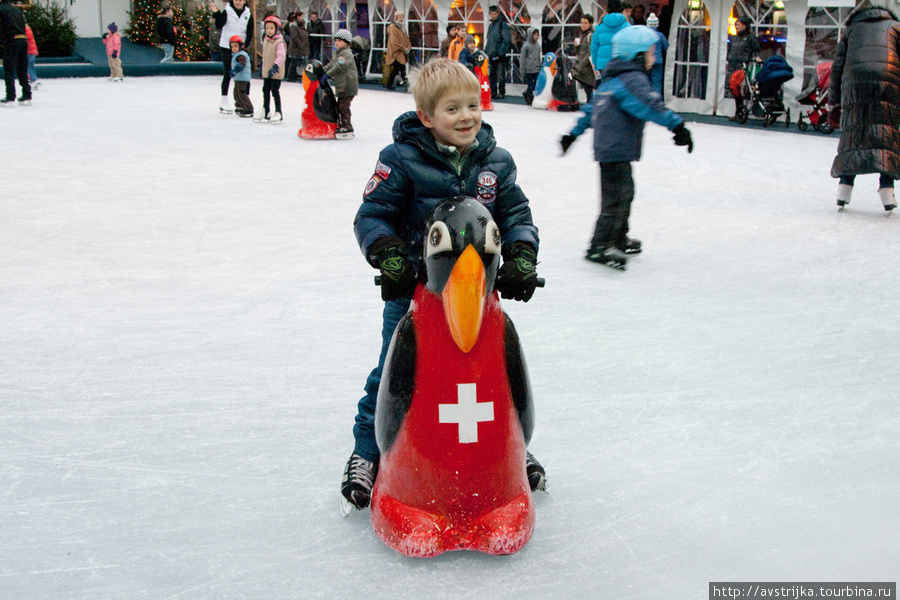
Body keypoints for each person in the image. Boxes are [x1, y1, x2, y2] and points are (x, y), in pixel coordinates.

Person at [342, 58, 546, 512]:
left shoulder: (496, 160)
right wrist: (391, 256)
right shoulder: (400, 160)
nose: (467, 116)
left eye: (473, 105)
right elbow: (372, 217)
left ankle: (510, 447)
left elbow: (516, 217)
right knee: (393, 373)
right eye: (452, 109)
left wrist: (522, 255)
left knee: (492, 374)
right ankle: (368, 452)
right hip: (416, 294)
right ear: (426, 117)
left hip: (479, 296)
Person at [560, 26, 692, 270]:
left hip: (611, 149)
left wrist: (573, 134)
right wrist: (677, 126)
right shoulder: (632, 80)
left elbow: (591, 111)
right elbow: (650, 105)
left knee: (624, 194)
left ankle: (618, 238)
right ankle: (598, 246)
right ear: (637, 54)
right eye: (652, 52)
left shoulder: (611, 80)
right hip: (616, 150)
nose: (654, 58)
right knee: (616, 199)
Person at [828, 1, 900, 211]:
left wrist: (834, 103)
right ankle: (887, 189)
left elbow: (837, 68)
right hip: (888, 83)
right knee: (886, 132)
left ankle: (845, 187)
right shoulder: (895, 27)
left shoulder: (851, 30)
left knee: (854, 132)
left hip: (855, 84)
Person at [214, 0, 253, 113]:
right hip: (227, 47)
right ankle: (224, 100)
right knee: (228, 73)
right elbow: (218, 25)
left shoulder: (248, 14)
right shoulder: (227, 11)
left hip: (241, 49)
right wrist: (217, 14)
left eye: (240, 0)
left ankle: (243, 100)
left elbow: (250, 31)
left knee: (244, 74)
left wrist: (246, 46)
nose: (238, 2)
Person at [325, 29, 359, 136]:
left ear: (346, 42)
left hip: (348, 85)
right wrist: (321, 70)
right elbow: (332, 64)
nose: (336, 42)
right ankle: (343, 124)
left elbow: (339, 66)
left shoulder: (346, 54)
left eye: (339, 40)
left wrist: (327, 75)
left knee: (343, 106)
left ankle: (347, 126)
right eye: (336, 40)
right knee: (340, 105)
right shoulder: (339, 53)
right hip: (342, 85)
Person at [725, 16, 760, 118]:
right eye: (736, 25)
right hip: (733, 67)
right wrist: (729, 57)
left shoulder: (750, 37)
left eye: (739, 25)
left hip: (743, 68)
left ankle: (741, 112)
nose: (737, 26)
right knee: (734, 90)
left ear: (745, 25)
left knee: (742, 90)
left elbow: (756, 49)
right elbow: (730, 48)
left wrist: (757, 58)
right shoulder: (734, 38)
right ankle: (738, 112)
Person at [591, 0, 630, 86]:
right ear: (621, 10)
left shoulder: (599, 26)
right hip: (621, 64)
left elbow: (594, 48)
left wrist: (596, 63)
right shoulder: (627, 26)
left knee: (606, 88)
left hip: (603, 65)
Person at [0, 0, 31, 106]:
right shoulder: (16, 9)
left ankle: (10, 96)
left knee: (9, 68)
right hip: (23, 40)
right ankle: (27, 96)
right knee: (22, 68)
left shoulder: (1, 10)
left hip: (12, 40)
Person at [256, 15, 285, 122]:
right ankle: (266, 110)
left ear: (277, 29)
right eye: (267, 28)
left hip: (275, 72)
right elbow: (265, 55)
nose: (269, 30)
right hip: (267, 71)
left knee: (275, 91)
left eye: (271, 28)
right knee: (265, 90)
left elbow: (281, 56)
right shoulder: (266, 40)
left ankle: (278, 111)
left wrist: (275, 66)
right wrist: (262, 67)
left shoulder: (279, 42)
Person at [484, 5, 510, 99]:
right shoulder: (491, 26)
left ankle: (501, 92)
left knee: (500, 75)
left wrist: (501, 53)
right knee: (492, 75)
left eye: (494, 14)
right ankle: (493, 92)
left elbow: (506, 40)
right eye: (491, 14)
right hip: (491, 54)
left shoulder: (502, 24)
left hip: (499, 55)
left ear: (497, 14)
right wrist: (486, 51)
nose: (492, 16)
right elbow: (489, 40)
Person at [384, 11, 411, 90]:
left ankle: (389, 84)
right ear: (396, 18)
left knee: (397, 69)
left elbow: (406, 39)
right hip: (396, 52)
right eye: (400, 17)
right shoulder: (393, 28)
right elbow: (394, 42)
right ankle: (407, 86)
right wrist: (403, 48)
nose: (401, 19)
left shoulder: (402, 28)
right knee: (401, 68)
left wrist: (408, 47)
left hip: (402, 52)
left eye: (402, 17)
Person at [228, 35, 253, 117]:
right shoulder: (237, 54)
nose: (234, 48)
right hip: (239, 77)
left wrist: (235, 71)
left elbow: (241, 65)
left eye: (236, 46)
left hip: (242, 77)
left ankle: (248, 108)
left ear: (241, 46)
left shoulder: (241, 55)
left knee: (240, 93)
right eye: (232, 47)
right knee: (236, 92)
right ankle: (239, 106)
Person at [571, 15, 595, 100]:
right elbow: (580, 52)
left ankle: (591, 108)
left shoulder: (590, 36)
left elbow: (590, 52)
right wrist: (577, 46)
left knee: (588, 90)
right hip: (582, 67)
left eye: (585, 23)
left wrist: (582, 65)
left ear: (590, 24)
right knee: (587, 90)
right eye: (581, 23)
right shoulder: (583, 35)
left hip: (586, 68)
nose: (583, 25)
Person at [645, 13, 668, 95]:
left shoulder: (645, 34)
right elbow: (666, 46)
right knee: (657, 81)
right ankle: (656, 99)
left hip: (646, 60)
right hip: (658, 60)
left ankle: (646, 97)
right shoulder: (660, 35)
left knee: (645, 80)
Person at [520, 27, 541, 105]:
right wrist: (522, 70)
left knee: (536, 84)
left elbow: (538, 56)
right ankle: (529, 96)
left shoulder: (538, 45)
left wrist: (539, 65)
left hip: (536, 68)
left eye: (537, 35)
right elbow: (522, 59)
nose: (536, 36)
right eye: (534, 35)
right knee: (530, 84)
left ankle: (528, 93)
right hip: (529, 69)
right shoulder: (526, 46)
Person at [286, 11, 309, 81]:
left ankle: (306, 77)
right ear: (298, 17)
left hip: (303, 47)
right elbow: (294, 37)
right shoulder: (293, 26)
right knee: (294, 63)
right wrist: (300, 45)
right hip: (296, 48)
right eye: (301, 16)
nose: (302, 18)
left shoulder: (303, 25)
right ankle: (291, 77)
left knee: (304, 62)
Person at [25, 23, 38, 89]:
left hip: (29, 50)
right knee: (31, 65)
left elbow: (27, 38)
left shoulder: (26, 30)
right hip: (32, 51)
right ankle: (32, 79)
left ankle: (33, 79)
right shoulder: (29, 29)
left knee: (27, 65)